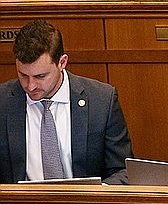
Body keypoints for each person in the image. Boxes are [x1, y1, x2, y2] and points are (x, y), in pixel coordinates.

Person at [0, 20, 133, 184]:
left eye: (40, 76)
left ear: (62, 62)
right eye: (23, 75)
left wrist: (98, 194)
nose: (30, 86)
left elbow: (123, 170)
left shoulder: (102, 100)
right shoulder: (3, 102)